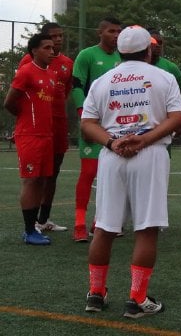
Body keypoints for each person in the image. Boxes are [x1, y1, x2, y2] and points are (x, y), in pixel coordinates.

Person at [81, 25, 181, 318]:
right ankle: (137, 299)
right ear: (149, 50)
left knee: (104, 227)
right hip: (149, 155)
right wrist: (144, 139)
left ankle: (96, 293)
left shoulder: (102, 81)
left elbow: (87, 124)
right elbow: (178, 117)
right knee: (147, 228)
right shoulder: (163, 76)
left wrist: (113, 143)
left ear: (119, 51)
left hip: (112, 156)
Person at [18, 22, 73, 233]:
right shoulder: (29, 62)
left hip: (57, 124)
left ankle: (44, 219)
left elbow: (65, 92)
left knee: (53, 172)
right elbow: (17, 96)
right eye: (53, 37)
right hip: (35, 127)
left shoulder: (67, 62)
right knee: (34, 176)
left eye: (60, 36)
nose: (58, 40)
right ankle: (31, 225)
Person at [71, 17, 122, 242]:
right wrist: (85, 117)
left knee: (112, 174)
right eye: (112, 31)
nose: (116, 35)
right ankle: (79, 224)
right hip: (93, 123)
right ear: (99, 33)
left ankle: (99, 222)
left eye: (119, 31)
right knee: (89, 172)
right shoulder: (87, 55)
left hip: (117, 124)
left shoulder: (123, 58)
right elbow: (77, 86)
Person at [5, 33, 56, 245]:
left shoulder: (51, 74)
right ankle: (28, 231)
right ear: (34, 50)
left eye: (52, 47)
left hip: (47, 135)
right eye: (46, 47)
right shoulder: (26, 72)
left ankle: (34, 228)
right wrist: (25, 119)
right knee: (31, 180)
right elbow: (9, 102)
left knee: (42, 180)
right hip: (29, 135)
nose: (51, 51)